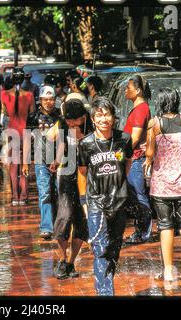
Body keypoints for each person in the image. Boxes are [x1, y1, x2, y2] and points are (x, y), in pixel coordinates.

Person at [77, 96, 132, 296]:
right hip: (96, 202)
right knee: (100, 248)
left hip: (119, 200)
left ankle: (105, 284)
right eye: (99, 115)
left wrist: (118, 184)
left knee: (114, 248)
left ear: (113, 117)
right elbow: (82, 173)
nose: (103, 119)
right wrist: (84, 201)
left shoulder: (124, 139)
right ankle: (106, 292)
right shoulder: (86, 144)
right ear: (93, 119)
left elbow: (127, 162)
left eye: (106, 114)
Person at [143, 88, 181, 283]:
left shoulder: (154, 123)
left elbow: (149, 153)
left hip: (162, 185)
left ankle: (168, 271)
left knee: (165, 226)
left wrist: (148, 155)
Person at [47, 99, 93, 279]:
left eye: (73, 120)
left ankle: (71, 262)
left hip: (88, 177)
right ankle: (62, 259)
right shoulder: (64, 124)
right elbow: (62, 144)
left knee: (81, 221)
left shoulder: (92, 125)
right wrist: (56, 161)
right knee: (64, 217)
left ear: (82, 117)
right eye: (68, 120)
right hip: (67, 173)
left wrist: (81, 135)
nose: (70, 123)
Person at [24, 86, 61, 240]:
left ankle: (60, 224)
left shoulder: (60, 116)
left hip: (61, 161)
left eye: (51, 99)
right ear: (40, 100)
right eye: (45, 99)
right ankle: (46, 227)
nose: (48, 102)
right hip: (40, 160)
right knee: (44, 192)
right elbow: (27, 139)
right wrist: (25, 162)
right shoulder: (33, 117)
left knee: (59, 192)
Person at [123, 74, 153, 244]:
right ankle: (141, 231)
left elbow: (134, 138)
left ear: (138, 90)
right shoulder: (139, 108)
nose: (126, 90)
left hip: (135, 159)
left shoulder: (141, 109)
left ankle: (144, 233)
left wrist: (120, 153)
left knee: (139, 196)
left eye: (129, 87)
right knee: (136, 196)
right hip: (132, 158)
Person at [1, 67, 35, 206]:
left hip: (11, 132)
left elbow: (5, 114)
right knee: (25, 164)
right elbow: (32, 113)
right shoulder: (29, 95)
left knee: (14, 165)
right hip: (25, 131)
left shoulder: (4, 95)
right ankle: (24, 196)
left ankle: (15, 196)